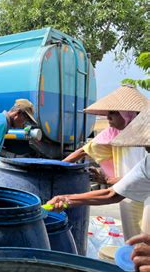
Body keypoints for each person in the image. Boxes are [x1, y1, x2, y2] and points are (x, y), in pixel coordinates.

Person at [47, 104, 150, 272]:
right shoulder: (148, 163)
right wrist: (66, 199)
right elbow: (112, 193)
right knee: (139, 249)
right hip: (135, 197)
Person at [62, 85, 148, 239]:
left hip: (142, 194)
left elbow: (127, 186)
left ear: (127, 114)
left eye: (114, 113)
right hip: (124, 192)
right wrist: (59, 167)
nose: (108, 117)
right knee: (133, 238)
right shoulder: (113, 133)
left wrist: (110, 180)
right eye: (108, 113)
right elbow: (84, 151)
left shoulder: (144, 140)